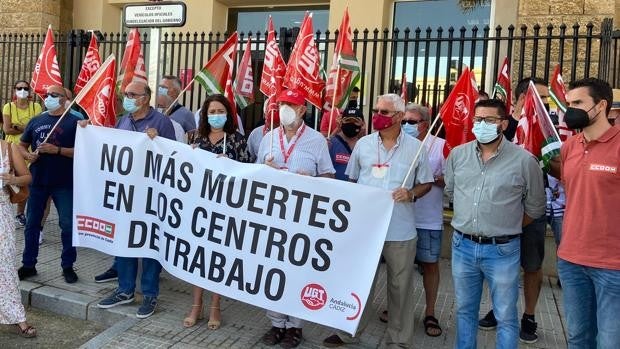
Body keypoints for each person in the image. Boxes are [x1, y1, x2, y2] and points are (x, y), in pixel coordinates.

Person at [322, 93, 433, 348]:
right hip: (365, 230)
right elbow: (351, 180)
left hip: (400, 230)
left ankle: (400, 340)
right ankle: (347, 331)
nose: (377, 116)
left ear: (398, 116)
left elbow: (426, 182)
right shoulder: (363, 145)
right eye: (376, 110)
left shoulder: (416, 149)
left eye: (383, 112)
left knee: (400, 287)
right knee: (358, 282)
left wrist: (411, 193)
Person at [446, 98, 545, 349]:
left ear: (503, 123)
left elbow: (535, 207)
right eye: (478, 120)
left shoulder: (525, 161)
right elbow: (451, 191)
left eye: (489, 120)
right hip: (462, 246)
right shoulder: (458, 155)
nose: (481, 125)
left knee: (505, 316)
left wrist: (505, 225)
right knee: (465, 311)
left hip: (502, 250)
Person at [257, 88, 335, 349]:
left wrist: (310, 182)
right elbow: (255, 178)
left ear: (302, 110)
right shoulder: (268, 138)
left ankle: (295, 327)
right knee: (273, 271)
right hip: (273, 218)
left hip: (303, 221)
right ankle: (276, 323)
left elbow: (328, 177)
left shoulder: (317, 141)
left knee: (299, 272)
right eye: (281, 104)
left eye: (290, 104)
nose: (284, 109)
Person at [96, 81, 175, 319]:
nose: (127, 97)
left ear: (146, 98)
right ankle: (125, 290)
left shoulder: (162, 122)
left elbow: (174, 156)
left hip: (150, 196)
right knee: (124, 240)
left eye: (133, 94)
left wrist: (159, 140)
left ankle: (150, 294)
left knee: (150, 244)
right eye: (126, 94)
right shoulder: (123, 120)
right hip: (125, 194)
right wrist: (87, 129)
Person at [479, 78, 550, 344]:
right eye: (538, 98)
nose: (544, 105)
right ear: (521, 99)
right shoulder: (502, 126)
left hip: (532, 208)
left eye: (546, 99)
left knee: (531, 264)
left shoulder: (547, 128)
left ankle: (529, 316)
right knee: (499, 265)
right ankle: (499, 309)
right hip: (502, 206)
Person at [554, 78, 620, 348]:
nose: (571, 110)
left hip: (613, 265)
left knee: (609, 341)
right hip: (571, 260)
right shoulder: (570, 146)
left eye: (578, 103)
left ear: (601, 105)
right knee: (579, 338)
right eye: (569, 104)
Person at [183, 94, 251, 330]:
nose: (215, 116)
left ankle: (215, 306)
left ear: (228, 114)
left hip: (225, 209)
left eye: (220, 111)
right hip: (198, 207)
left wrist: (229, 165)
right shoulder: (194, 137)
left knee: (217, 258)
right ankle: (195, 305)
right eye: (211, 112)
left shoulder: (238, 140)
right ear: (204, 114)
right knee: (198, 256)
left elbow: (247, 174)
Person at [16, 85, 81, 284]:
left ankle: (68, 266)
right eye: (47, 95)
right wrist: (28, 156)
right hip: (38, 180)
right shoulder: (37, 120)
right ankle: (29, 264)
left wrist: (57, 150)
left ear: (64, 98)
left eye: (54, 95)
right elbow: (21, 145)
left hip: (64, 182)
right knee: (32, 223)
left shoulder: (76, 122)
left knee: (67, 225)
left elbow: (84, 151)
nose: (48, 97)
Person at [403, 103, 446, 337]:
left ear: (425, 124)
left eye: (412, 121)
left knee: (429, 266)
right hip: (402, 218)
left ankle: (430, 312)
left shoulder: (440, 146)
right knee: (400, 268)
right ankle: (398, 308)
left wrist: (433, 179)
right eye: (404, 121)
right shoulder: (399, 144)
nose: (406, 126)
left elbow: (451, 180)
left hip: (428, 219)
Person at [0, 138, 35, 338]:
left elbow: (27, 177)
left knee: (5, 264)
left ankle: (18, 318)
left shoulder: (8, 147)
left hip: (2, 213)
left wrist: (12, 180)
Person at [2, 80, 41, 227]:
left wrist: (17, 126)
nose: (22, 90)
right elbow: (7, 130)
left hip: (30, 147)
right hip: (12, 148)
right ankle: (7, 208)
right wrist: (27, 128)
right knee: (11, 178)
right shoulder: (8, 107)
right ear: (14, 90)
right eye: (19, 88)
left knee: (25, 180)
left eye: (25, 88)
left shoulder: (35, 106)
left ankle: (20, 213)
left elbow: (36, 126)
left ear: (30, 91)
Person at [327, 106, 365, 180]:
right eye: (347, 120)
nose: (351, 124)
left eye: (355, 121)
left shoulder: (366, 145)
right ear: (341, 122)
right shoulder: (330, 144)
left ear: (362, 124)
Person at [156, 76, 190, 142]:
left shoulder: (186, 114)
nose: (160, 89)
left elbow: (192, 139)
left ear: (175, 91)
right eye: (160, 86)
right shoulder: (152, 110)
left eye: (164, 87)